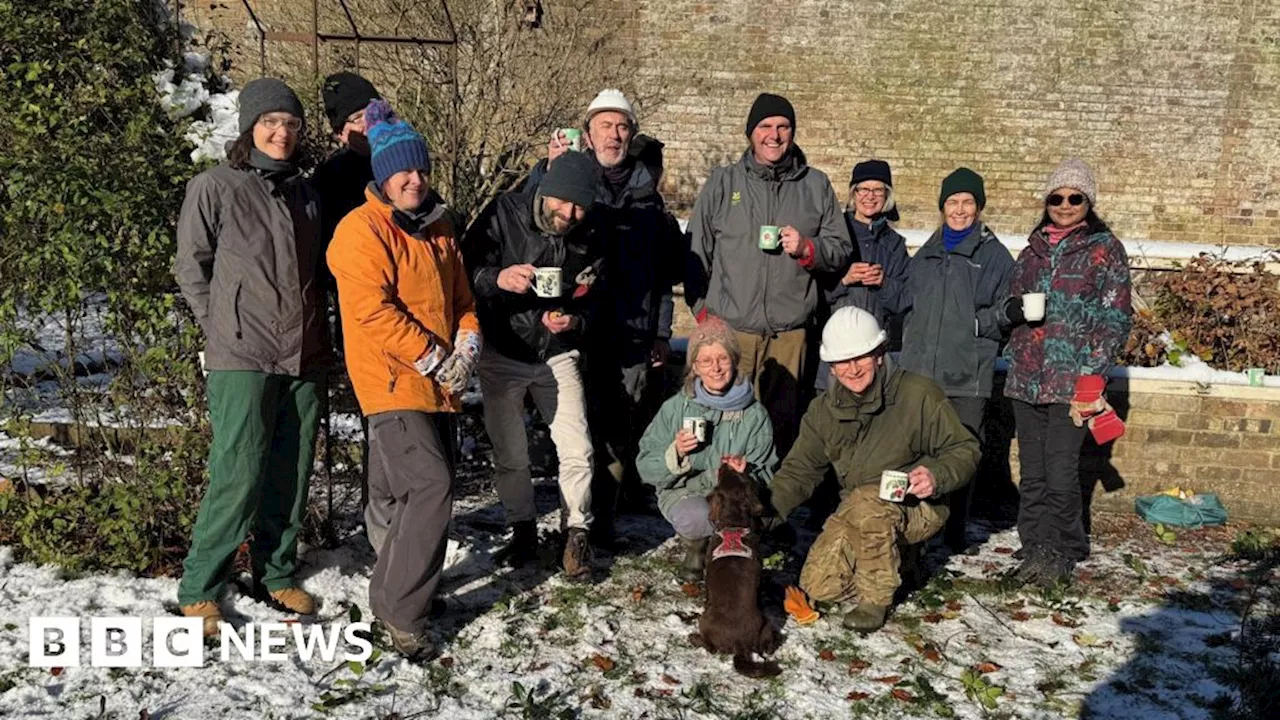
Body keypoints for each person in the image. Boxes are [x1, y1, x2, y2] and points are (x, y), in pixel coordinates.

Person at [326, 100, 480, 660]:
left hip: (442, 383)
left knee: (417, 493)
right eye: (403, 171)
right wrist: (433, 357)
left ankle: (404, 590)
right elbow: (372, 311)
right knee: (431, 486)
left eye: (421, 170)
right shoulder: (359, 231)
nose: (414, 180)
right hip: (392, 381)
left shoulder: (439, 227)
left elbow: (462, 298)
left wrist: (467, 342)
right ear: (383, 177)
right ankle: (401, 610)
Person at [173, 78, 327, 635]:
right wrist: (220, 326)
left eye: (290, 123)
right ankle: (200, 585)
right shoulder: (216, 186)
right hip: (242, 351)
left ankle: (275, 571)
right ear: (249, 128)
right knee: (238, 470)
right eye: (270, 122)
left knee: (292, 466)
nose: (281, 132)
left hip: (304, 352)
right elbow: (192, 266)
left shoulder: (307, 194)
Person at [767, 307, 980, 633]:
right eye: (842, 361)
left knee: (869, 499)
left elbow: (964, 449)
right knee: (820, 587)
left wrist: (936, 475)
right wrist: (763, 513)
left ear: (879, 354)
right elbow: (800, 470)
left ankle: (876, 597)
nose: (852, 369)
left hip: (917, 509)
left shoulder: (918, 394)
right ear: (831, 367)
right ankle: (902, 564)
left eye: (861, 358)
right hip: (858, 511)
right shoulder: (823, 410)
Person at [536, 89, 684, 540]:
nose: (614, 135)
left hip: (630, 331)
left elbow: (661, 275)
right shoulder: (568, 181)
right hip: (578, 328)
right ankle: (572, 522)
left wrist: (660, 332)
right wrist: (545, 168)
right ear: (588, 132)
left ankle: (601, 520)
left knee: (618, 426)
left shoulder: (649, 200)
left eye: (622, 127)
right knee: (576, 427)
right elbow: (536, 226)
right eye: (606, 125)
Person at [462, 151, 605, 581]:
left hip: (557, 351)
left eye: (579, 207)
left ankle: (577, 532)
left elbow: (597, 296)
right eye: (563, 202)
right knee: (511, 452)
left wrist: (575, 320)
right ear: (545, 190)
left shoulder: (588, 233)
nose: (569, 214)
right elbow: (463, 269)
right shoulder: (503, 213)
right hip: (503, 350)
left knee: (577, 446)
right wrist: (497, 279)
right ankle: (521, 528)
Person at [686, 93, 852, 455]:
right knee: (724, 425)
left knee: (781, 429)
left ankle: (773, 508)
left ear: (792, 133)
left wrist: (808, 249)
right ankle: (723, 506)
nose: (774, 135)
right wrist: (703, 315)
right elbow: (696, 253)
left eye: (783, 127)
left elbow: (841, 249)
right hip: (731, 332)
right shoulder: (723, 183)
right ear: (751, 133)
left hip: (789, 335)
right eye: (765, 127)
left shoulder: (816, 185)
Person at [1003, 158, 1132, 587]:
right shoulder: (1032, 249)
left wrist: (1093, 375)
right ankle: (1035, 541)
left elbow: (1115, 316)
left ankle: (1064, 547)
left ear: (1088, 201)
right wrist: (1012, 310)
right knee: (1033, 471)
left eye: (1074, 197)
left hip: (1072, 385)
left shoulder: (1104, 249)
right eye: (1056, 197)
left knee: (1061, 470)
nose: (1064, 204)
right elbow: (1011, 301)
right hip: (1026, 378)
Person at [898, 168, 1014, 553]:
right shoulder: (926, 254)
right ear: (942, 207)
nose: (960, 210)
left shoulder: (995, 257)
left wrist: (976, 325)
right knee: (916, 451)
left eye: (968, 202)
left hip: (967, 374)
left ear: (978, 207)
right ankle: (916, 526)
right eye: (952, 202)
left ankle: (954, 532)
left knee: (962, 452)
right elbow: (908, 307)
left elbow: (1007, 311)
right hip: (920, 373)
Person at [636, 317, 778, 581]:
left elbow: (768, 469)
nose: (715, 368)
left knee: (754, 514)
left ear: (734, 360)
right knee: (697, 516)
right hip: (686, 493)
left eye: (722, 358)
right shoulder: (676, 407)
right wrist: (675, 453)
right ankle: (696, 551)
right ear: (695, 367)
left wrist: (746, 473)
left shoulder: (755, 414)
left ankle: (734, 553)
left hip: (735, 499)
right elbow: (645, 467)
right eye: (705, 361)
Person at [816, 159, 911, 391]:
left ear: (887, 196)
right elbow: (810, 293)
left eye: (878, 189)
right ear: (853, 194)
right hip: (832, 349)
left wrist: (883, 283)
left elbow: (905, 299)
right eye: (863, 189)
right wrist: (844, 280)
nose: (870, 196)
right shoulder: (833, 235)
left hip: (873, 353)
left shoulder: (895, 244)